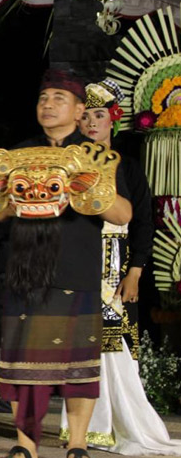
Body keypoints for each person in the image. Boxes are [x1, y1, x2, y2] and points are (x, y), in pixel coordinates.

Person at [0, 69, 132, 458]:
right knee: (22, 367)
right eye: (43, 98)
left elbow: (123, 215)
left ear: (78, 111)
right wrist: (10, 198)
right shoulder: (20, 153)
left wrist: (86, 184)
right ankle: (25, 446)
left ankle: (76, 444)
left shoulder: (97, 157)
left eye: (58, 98)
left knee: (79, 369)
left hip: (75, 270)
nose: (48, 105)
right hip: (26, 268)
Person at [58, 80, 181, 454]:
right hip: (79, 259)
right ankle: (83, 427)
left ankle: (118, 421)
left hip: (117, 261)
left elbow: (144, 220)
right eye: (86, 117)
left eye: (99, 115)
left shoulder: (127, 166)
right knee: (77, 344)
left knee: (116, 344)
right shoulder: (68, 162)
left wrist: (136, 271)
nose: (92, 124)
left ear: (112, 120)